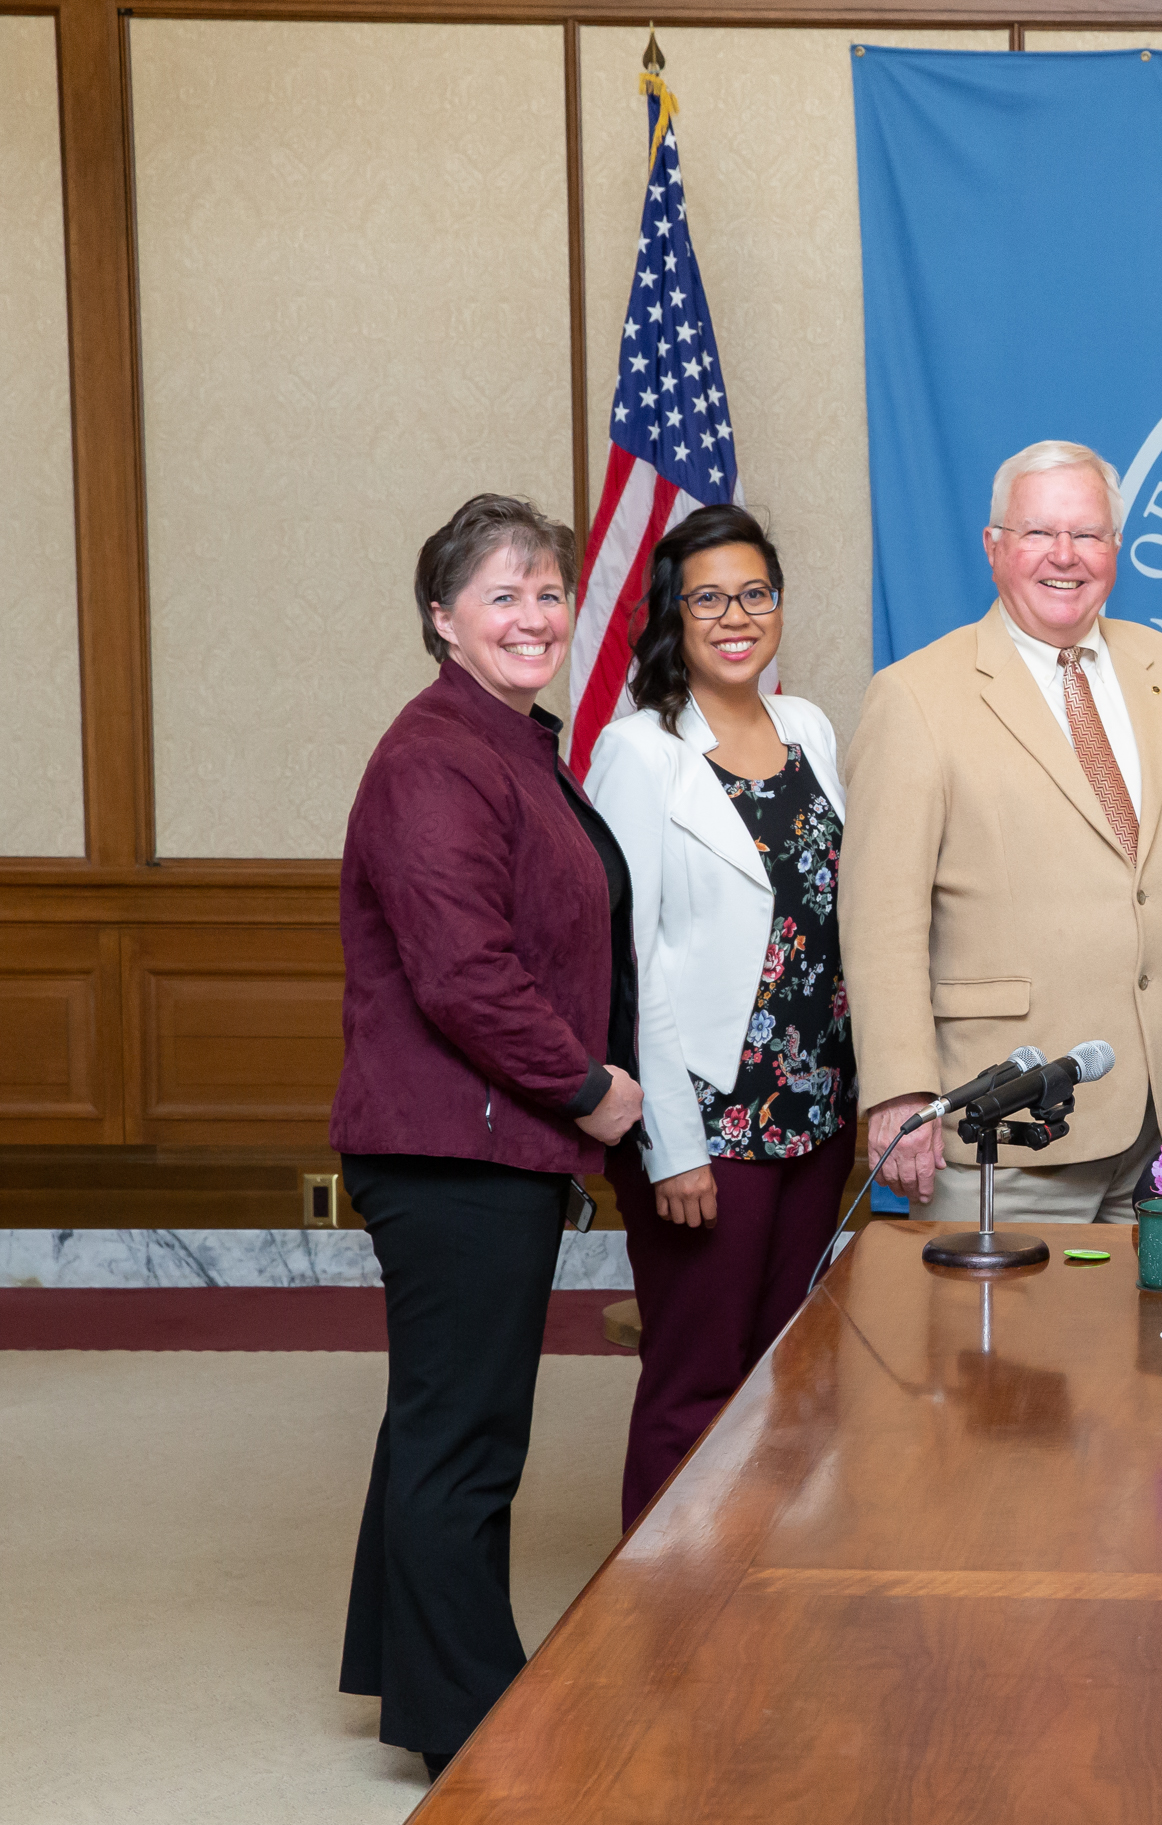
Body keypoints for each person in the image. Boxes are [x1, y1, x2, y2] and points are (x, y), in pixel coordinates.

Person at [330, 494, 642, 1780]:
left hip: (483, 1142)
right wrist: (587, 1088)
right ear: (440, 618)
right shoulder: (434, 755)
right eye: (501, 594)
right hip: (452, 1149)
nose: (534, 616)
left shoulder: (512, 739)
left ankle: (402, 1669)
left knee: (433, 1420)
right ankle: (472, 1722)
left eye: (549, 593)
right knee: (467, 1439)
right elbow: (463, 974)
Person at [842, 440, 1162, 1221]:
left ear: (1116, 550)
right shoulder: (915, 695)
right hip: (1009, 1124)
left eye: (1087, 535)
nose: (1065, 556)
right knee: (1000, 1347)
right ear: (994, 546)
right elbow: (881, 918)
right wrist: (901, 1089)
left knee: (1158, 1343)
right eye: (1038, 533)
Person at [585, 505, 853, 1529]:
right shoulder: (640, 752)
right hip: (710, 1122)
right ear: (671, 615)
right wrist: (670, 1147)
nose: (735, 616)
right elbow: (630, 961)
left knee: (784, 1369)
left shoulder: (809, 727)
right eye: (709, 597)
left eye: (754, 593)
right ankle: (655, 1621)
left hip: (817, 1117)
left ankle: (753, 1592)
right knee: (694, 1378)